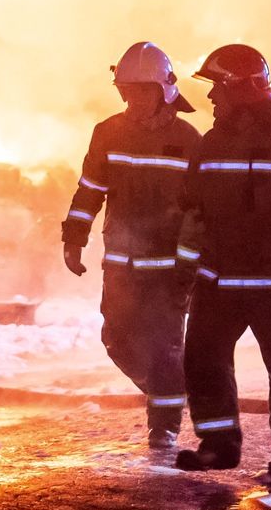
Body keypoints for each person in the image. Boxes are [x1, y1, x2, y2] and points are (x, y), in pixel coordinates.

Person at [172, 44, 271, 489]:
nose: (209, 99)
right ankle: (219, 444)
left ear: (238, 89)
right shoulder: (212, 142)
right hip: (218, 279)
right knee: (202, 359)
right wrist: (184, 266)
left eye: (216, 89)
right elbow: (192, 208)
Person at [61, 42, 202, 453]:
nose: (134, 99)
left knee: (164, 346)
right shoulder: (108, 132)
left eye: (143, 91)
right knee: (117, 339)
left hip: (169, 268)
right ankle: (172, 387)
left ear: (165, 91)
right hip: (121, 263)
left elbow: (200, 211)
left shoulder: (189, 140)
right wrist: (74, 237)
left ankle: (164, 425)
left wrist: (191, 264)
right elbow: (89, 190)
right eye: (128, 90)